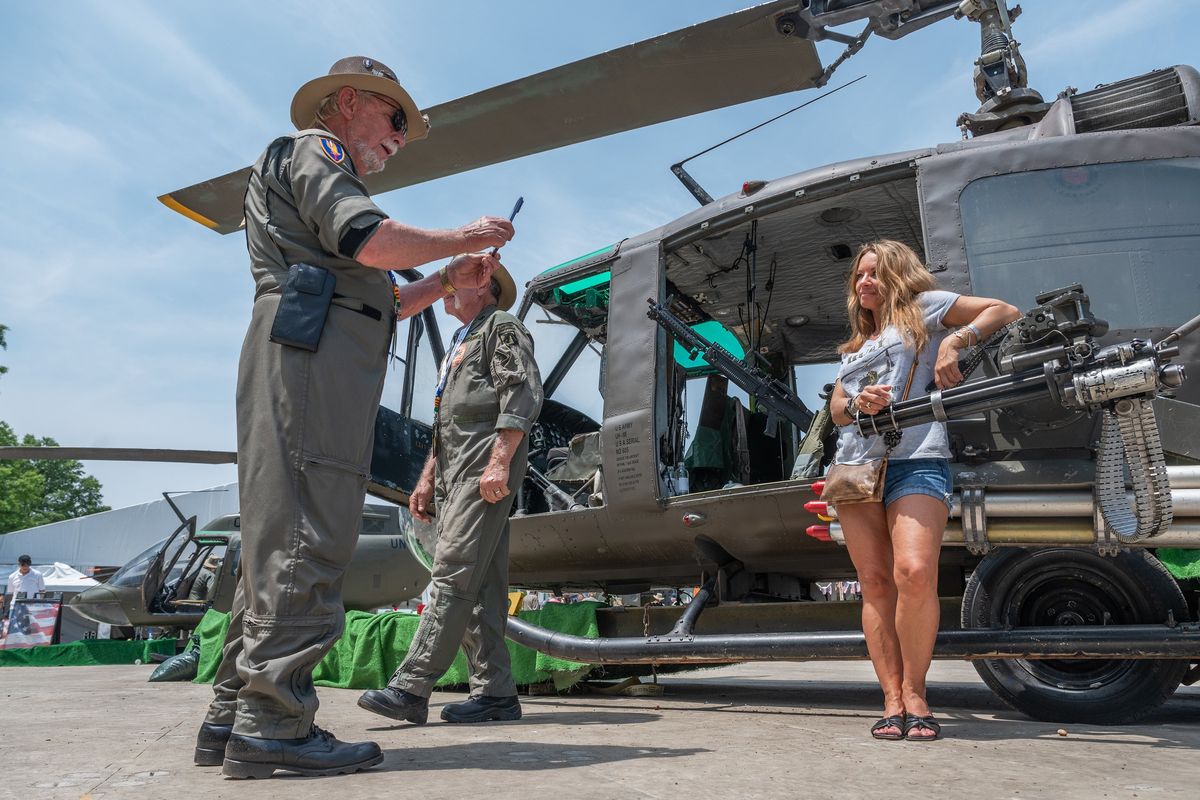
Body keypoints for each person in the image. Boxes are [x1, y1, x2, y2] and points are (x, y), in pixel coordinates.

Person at [196, 56, 517, 780]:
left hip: (307, 357)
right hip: (313, 369)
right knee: (310, 531)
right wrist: (464, 239)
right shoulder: (319, 152)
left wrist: (439, 281)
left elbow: (377, 299)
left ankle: (231, 714)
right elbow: (368, 241)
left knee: (277, 540)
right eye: (395, 118)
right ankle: (274, 722)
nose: (400, 139)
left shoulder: (308, 190)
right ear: (346, 103)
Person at [828, 240, 1019, 742]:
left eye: (872, 273)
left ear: (895, 273)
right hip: (855, 466)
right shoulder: (853, 348)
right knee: (873, 583)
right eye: (858, 277)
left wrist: (957, 342)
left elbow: (1004, 309)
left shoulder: (923, 310)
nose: (862, 283)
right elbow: (836, 412)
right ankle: (891, 700)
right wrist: (859, 402)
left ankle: (916, 692)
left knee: (913, 572)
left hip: (917, 457)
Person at [358, 267, 542, 726]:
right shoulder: (464, 343)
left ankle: (411, 686)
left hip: (482, 468)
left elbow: (520, 394)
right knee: (479, 584)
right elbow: (446, 425)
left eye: (457, 278)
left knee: (452, 572)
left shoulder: (502, 328)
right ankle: (495, 692)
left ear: (482, 286)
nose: (446, 286)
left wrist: (499, 462)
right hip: (454, 474)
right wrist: (426, 479)